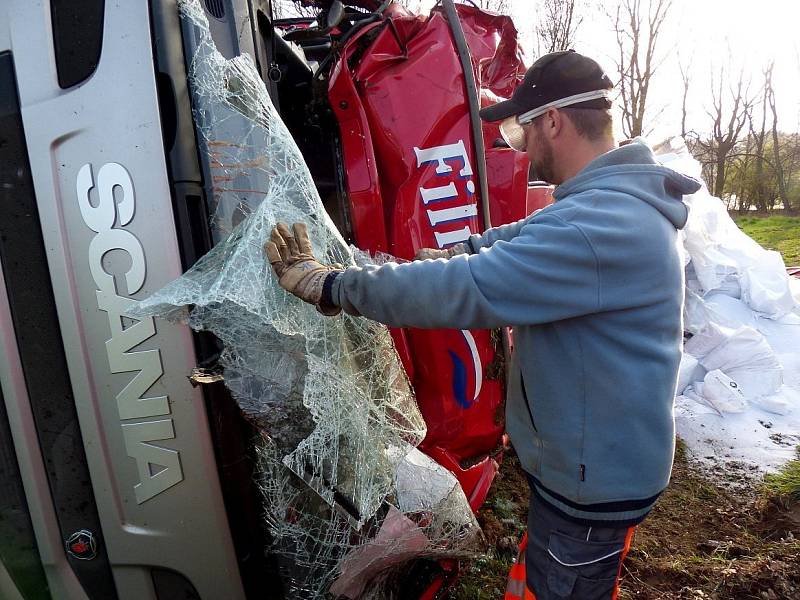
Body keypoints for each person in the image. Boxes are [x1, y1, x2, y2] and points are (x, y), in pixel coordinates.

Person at [265, 50, 701, 599]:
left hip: (592, 486)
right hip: (592, 466)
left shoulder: (604, 224)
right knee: (549, 580)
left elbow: (469, 288)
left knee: (562, 587)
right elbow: (500, 246)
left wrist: (331, 286)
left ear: (553, 121)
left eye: (521, 133)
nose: (522, 149)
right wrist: (413, 261)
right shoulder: (602, 207)